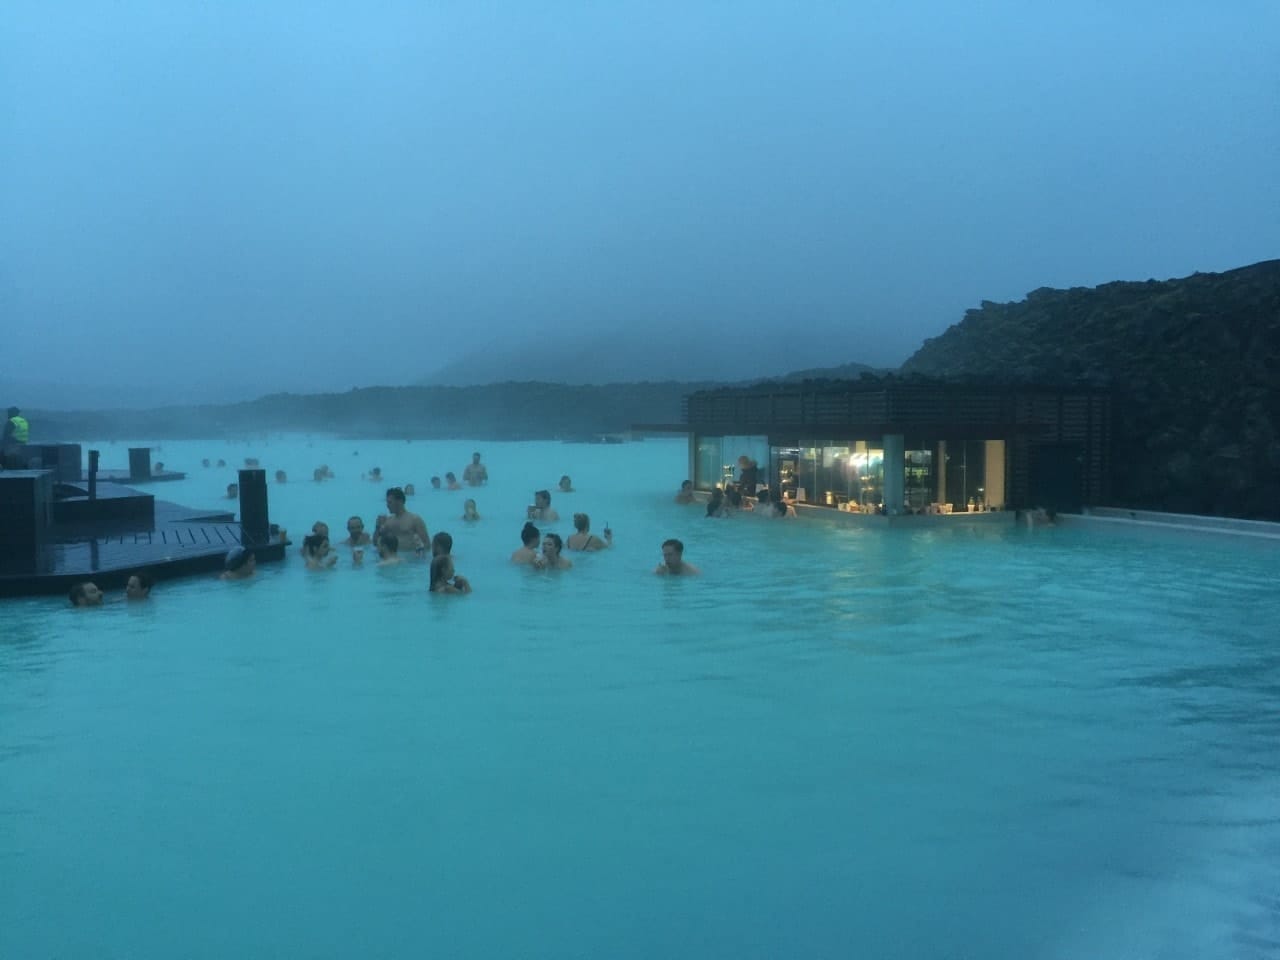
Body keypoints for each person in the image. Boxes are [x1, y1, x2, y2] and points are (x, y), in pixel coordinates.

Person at [382, 487, 429, 556]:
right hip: (394, 558)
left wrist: (420, 558)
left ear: (399, 501)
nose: (387, 505)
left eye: (390, 502)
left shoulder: (415, 519)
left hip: (411, 559)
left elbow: (427, 544)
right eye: (387, 502)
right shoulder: (388, 521)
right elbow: (379, 543)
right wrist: (377, 527)